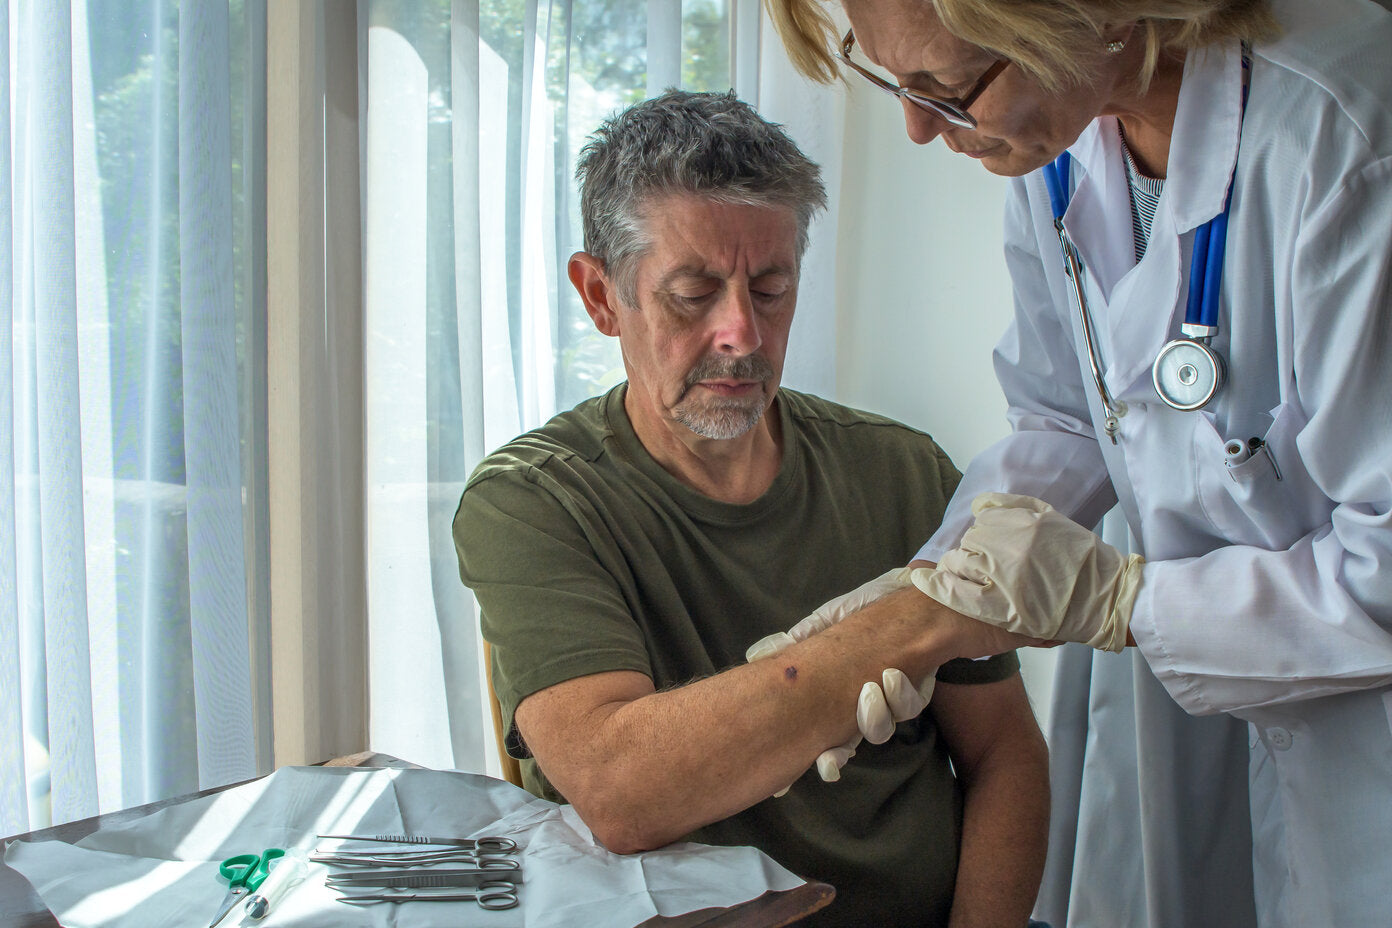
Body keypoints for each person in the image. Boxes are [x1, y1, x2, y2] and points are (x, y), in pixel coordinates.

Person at [763, 0, 1392, 926]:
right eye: (895, 81)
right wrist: (940, 586)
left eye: (949, 88)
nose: (919, 128)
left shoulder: (1347, 135)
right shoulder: (1062, 141)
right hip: (1206, 718)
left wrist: (1120, 601)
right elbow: (1070, 415)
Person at [453, 90, 1050, 927]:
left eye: (771, 289)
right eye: (693, 294)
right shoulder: (535, 501)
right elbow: (624, 793)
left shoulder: (903, 470)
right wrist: (917, 621)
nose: (743, 334)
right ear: (599, 295)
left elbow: (1003, 754)